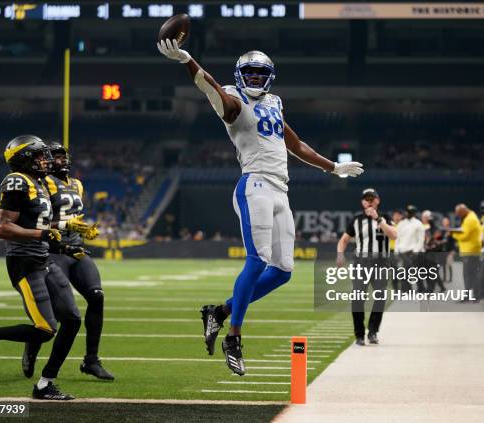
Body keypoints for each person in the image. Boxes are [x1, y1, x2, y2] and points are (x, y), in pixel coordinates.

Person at [157, 41, 364, 375]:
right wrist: (187, 59)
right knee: (257, 261)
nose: (254, 78)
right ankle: (233, 338)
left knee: (282, 271)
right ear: (240, 76)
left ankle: (219, 313)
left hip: (281, 189)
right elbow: (212, 90)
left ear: (269, 77)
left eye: (260, 73)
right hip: (255, 184)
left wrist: (333, 168)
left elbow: (294, 143)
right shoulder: (232, 99)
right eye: (249, 72)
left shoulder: (274, 102)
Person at [0, 135, 85, 400]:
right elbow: (2, 228)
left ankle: (45, 383)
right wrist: (42, 235)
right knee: (45, 329)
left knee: (73, 319)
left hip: (44, 259)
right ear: (24, 159)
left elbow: (39, 226)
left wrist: (65, 235)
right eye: (40, 155)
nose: (46, 160)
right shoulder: (17, 181)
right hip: (24, 262)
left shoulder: (40, 183)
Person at [21, 143, 113, 381]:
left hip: (76, 249)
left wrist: (84, 230)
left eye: (63, 156)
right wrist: (65, 226)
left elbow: (74, 217)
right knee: (57, 314)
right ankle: (33, 345)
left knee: (97, 296)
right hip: (53, 252)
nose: (61, 160)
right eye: (56, 156)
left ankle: (91, 360)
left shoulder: (77, 184)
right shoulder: (42, 184)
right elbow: (36, 220)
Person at [336, 188, 397, 346]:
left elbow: (394, 235)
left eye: (372, 198)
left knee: (379, 299)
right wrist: (340, 254)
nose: (369, 201)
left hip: (381, 262)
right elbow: (344, 240)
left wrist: (378, 219)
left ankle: (373, 331)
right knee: (357, 299)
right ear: (362, 201)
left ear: (378, 200)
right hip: (362, 263)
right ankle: (359, 334)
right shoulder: (356, 220)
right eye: (366, 199)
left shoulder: (386, 218)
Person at [449, 204, 482, 302]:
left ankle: (472, 296)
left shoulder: (470, 219)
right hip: (470, 249)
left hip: (470, 250)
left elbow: (465, 236)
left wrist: (453, 234)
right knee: (470, 274)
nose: (458, 215)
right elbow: (464, 231)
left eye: (459, 213)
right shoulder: (470, 217)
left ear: (463, 210)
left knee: (469, 274)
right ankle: (472, 295)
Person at [395, 205, 425, 292]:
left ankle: (420, 288)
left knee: (414, 271)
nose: (408, 213)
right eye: (407, 211)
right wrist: (397, 250)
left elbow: (421, 239)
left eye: (410, 212)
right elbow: (397, 238)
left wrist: (416, 251)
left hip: (413, 251)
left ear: (414, 213)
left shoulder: (418, 224)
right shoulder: (401, 223)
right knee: (406, 271)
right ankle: (407, 289)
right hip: (403, 251)